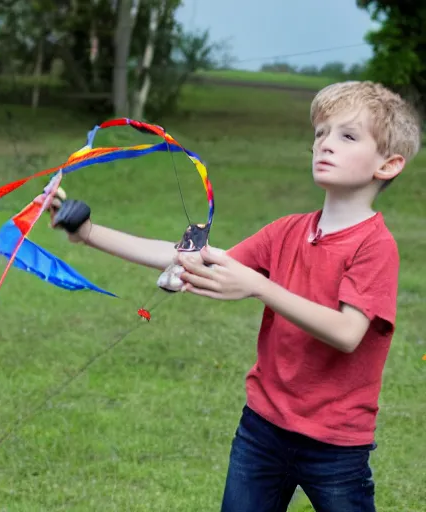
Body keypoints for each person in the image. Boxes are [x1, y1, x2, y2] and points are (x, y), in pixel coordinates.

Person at [43, 81, 422, 512]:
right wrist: (87, 232)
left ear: (388, 165)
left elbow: (348, 332)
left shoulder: (374, 246)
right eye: (320, 133)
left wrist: (259, 286)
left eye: (347, 136)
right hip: (262, 429)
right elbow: (193, 258)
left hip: (335, 445)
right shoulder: (287, 230)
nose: (325, 145)